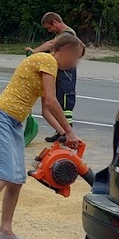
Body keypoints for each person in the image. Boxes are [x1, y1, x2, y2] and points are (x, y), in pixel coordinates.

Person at [0, 32, 85, 239]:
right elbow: (52, 101)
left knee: (16, 178)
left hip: (14, 122)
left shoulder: (46, 65)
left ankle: (5, 230)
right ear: (65, 50)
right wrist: (69, 131)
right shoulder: (47, 60)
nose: (74, 64)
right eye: (74, 58)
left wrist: (63, 133)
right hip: (2, 117)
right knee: (4, 175)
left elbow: (45, 110)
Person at [26, 12, 78, 143]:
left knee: (65, 102)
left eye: (49, 27)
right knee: (59, 100)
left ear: (55, 22)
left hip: (66, 73)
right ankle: (61, 131)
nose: (49, 30)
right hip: (60, 72)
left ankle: (67, 132)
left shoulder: (67, 34)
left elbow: (51, 44)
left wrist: (34, 52)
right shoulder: (61, 35)